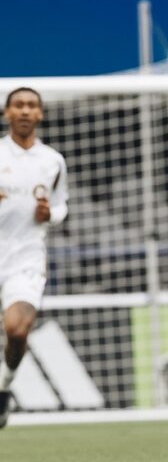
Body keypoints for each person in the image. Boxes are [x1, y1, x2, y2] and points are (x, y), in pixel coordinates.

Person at [0, 88, 69, 428]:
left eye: (31, 106)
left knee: (16, 330)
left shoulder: (52, 161)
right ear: (6, 112)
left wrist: (49, 214)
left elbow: (61, 206)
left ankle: (4, 385)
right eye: (18, 105)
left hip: (25, 257)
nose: (25, 111)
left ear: (40, 114)